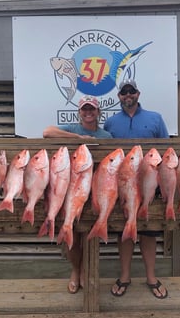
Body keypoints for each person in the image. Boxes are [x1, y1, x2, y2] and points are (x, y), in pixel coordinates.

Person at [104, 78, 169, 299]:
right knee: (124, 233)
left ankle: (151, 277)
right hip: (122, 187)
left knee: (149, 233)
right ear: (119, 97)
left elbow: (166, 151)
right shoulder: (110, 123)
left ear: (138, 94)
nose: (128, 95)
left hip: (150, 184)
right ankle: (124, 276)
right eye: (124, 92)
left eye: (131, 91)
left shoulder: (155, 118)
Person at [43, 95, 112, 294]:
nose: (88, 113)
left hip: (96, 192)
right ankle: (76, 270)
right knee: (70, 232)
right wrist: (79, 139)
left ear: (99, 112)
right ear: (79, 112)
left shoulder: (106, 136)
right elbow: (47, 132)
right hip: (71, 190)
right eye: (85, 109)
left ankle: (86, 272)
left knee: (90, 236)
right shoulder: (72, 129)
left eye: (92, 109)